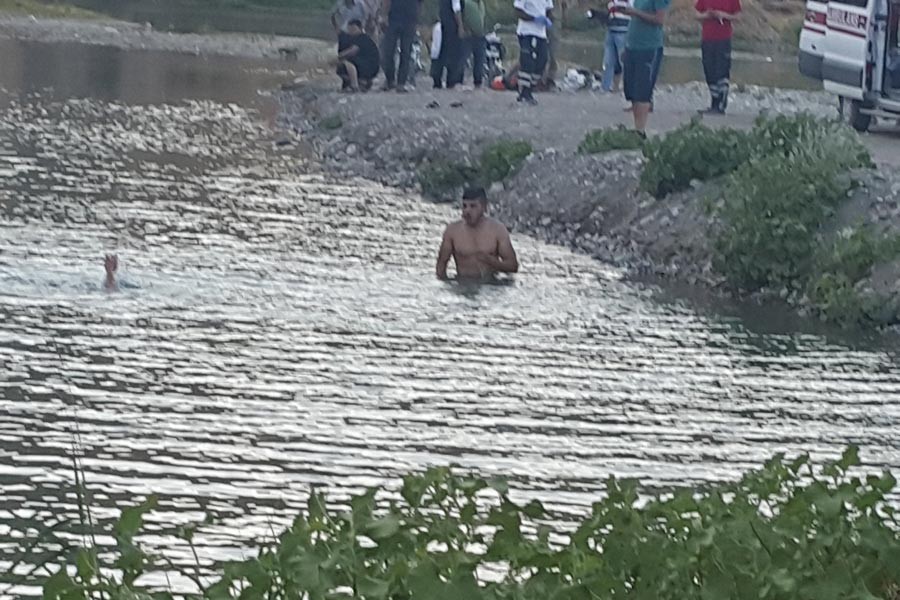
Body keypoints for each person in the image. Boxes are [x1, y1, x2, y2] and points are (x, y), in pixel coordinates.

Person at [436, 187, 519, 280]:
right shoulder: (452, 231)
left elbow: (513, 266)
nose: (467, 211)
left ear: (484, 207)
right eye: (464, 206)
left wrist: (491, 261)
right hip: (462, 285)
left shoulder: (498, 230)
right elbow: (441, 267)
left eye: (473, 206)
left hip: (490, 287)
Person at [621, 0, 669, 133]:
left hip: (649, 47)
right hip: (632, 45)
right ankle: (637, 127)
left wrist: (636, 13)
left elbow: (660, 19)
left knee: (643, 90)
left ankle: (640, 130)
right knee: (631, 90)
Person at [695, 0, 740, 114]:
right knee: (709, 69)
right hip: (707, 38)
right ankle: (714, 102)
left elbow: (738, 16)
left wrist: (724, 15)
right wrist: (707, 15)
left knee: (722, 70)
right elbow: (697, 14)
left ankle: (721, 103)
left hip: (723, 39)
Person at [514, 0, 554, 105]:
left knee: (542, 61)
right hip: (526, 32)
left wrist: (548, 20)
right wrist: (534, 19)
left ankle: (529, 89)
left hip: (541, 34)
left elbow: (549, 10)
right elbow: (518, 11)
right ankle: (524, 92)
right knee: (528, 62)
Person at [380, 0, 422, 91]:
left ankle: (401, 82)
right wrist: (384, 16)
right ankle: (390, 79)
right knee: (389, 51)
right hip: (394, 18)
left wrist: (416, 17)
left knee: (405, 52)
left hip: (410, 19)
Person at [336, 19, 381, 91]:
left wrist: (337, 57)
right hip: (369, 65)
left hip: (369, 66)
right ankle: (362, 82)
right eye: (349, 29)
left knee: (346, 62)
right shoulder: (355, 38)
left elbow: (352, 51)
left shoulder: (361, 38)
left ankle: (354, 85)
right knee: (341, 67)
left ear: (360, 28)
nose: (351, 31)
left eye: (353, 29)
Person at [600, 0, 632, 92]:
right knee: (608, 61)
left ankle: (628, 88)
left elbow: (633, 9)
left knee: (624, 61)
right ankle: (605, 87)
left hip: (624, 30)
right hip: (611, 30)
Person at [438, 0, 466, 88]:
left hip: (444, 24)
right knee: (455, 54)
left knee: (443, 52)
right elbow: (456, 9)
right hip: (452, 26)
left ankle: (438, 80)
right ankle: (452, 81)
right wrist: (460, 26)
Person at [461, 0, 488, 88]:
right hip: (469, 35)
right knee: (463, 58)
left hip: (480, 35)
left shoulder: (481, 4)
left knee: (480, 60)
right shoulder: (466, 3)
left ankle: (478, 81)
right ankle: (458, 79)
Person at [430, 20, 445, 88]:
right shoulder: (439, 27)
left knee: (436, 68)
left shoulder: (437, 27)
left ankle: (437, 82)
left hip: (436, 51)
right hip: (438, 51)